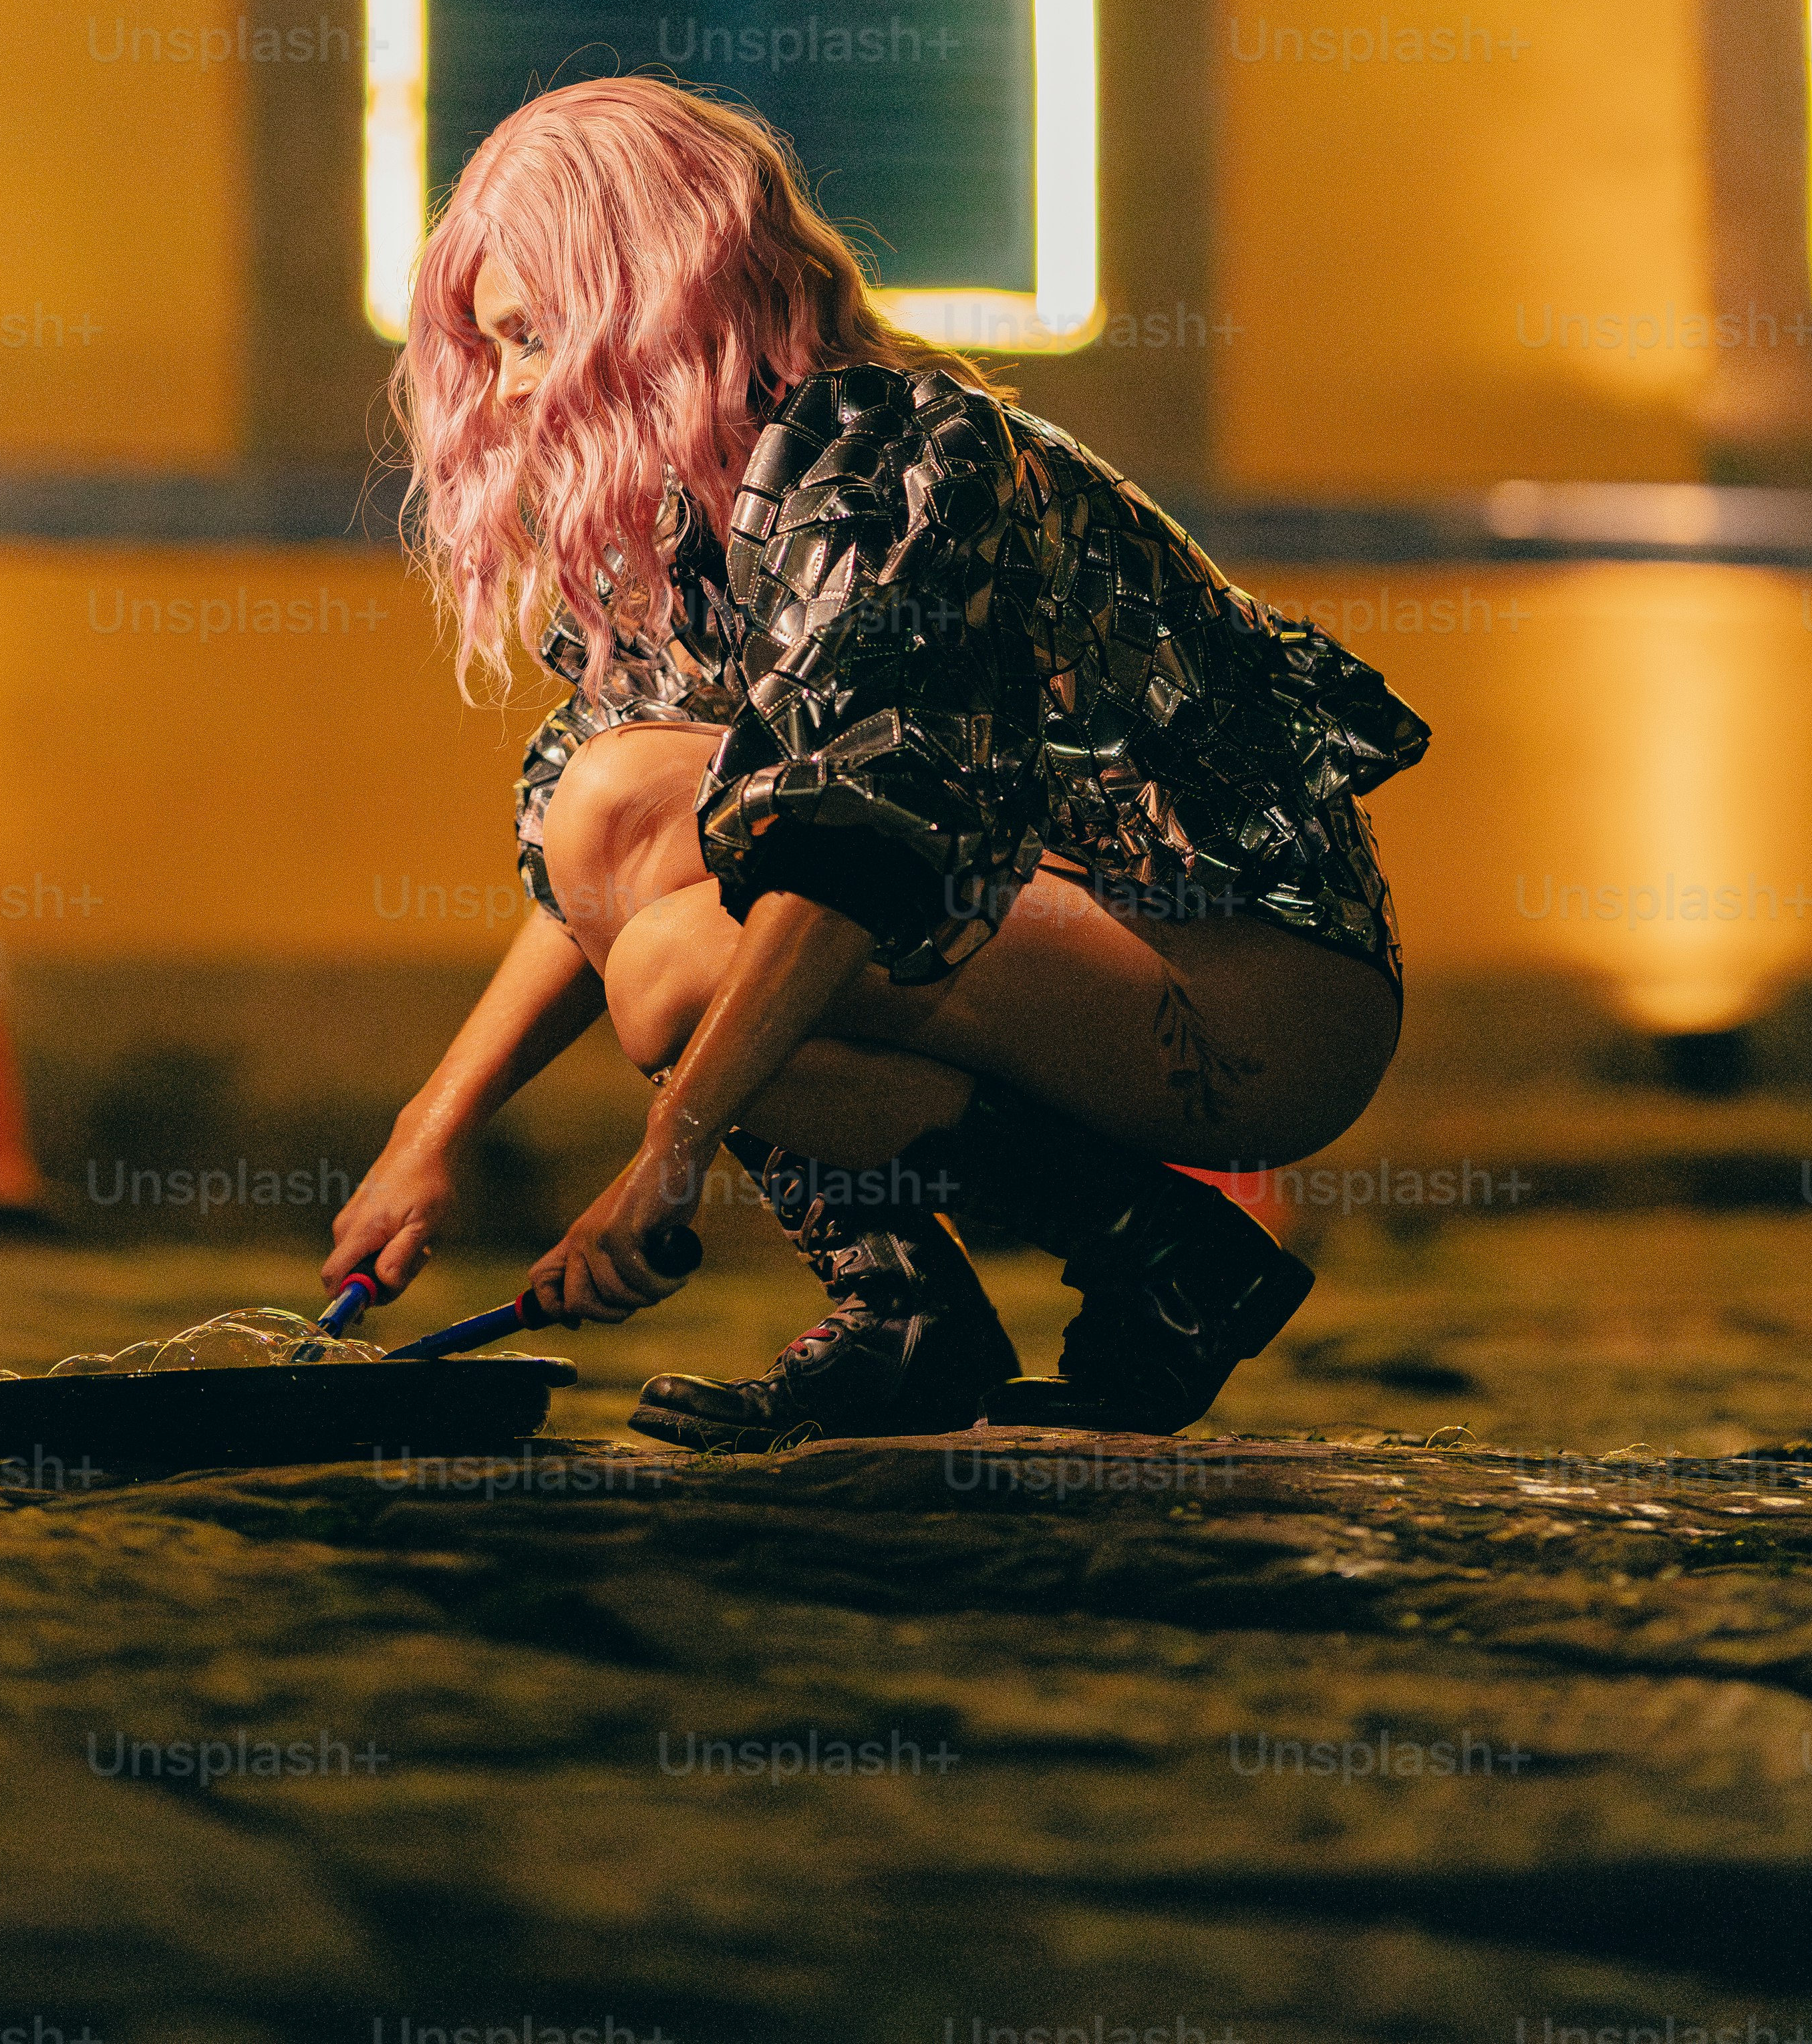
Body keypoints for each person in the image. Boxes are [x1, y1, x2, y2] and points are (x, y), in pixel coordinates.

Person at [325, 74, 1426, 1447]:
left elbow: (852, 855)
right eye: (489, 348)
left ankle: (1162, 1253)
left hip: (1250, 987)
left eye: (532, 333)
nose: (509, 387)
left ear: (650, 293)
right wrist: (425, 1135)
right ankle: (912, 1312)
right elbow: (592, 871)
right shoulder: (703, 510)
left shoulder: (892, 455)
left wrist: (662, 1167)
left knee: (678, 965)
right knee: (606, 809)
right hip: (1043, 930)